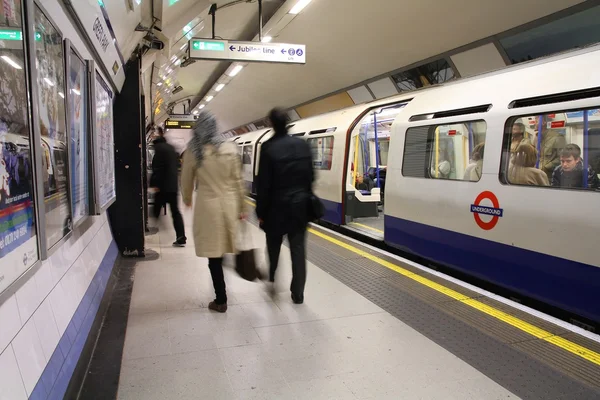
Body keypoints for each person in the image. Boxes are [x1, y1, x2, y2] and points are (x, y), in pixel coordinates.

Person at [181, 112, 246, 313]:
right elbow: (237, 180)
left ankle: (220, 299)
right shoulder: (229, 147)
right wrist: (242, 207)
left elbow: (186, 179)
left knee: (213, 255)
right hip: (229, 203)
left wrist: (187, 198)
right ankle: (222, 288)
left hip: (208, 206)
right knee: (224, 245)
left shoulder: (194, 150)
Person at [256, 108, 314, 304]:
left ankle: (272, 277)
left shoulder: (268, 148)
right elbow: (311, 178)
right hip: (299, 207)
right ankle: (298, 293)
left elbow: (264, 184)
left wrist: (261, 211)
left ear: (271, 124)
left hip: (275, 209)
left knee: (273, 246)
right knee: (298, 250)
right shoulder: (302, 145)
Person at [150, 126, 187, 247]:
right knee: (175, 211)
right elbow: (176, 165)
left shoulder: (158, 149)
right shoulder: (171, 148)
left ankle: (156, 226)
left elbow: (157, 168)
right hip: (173, 186)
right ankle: (181, 237)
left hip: (162, 186)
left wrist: (154, 184)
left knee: (156, 208)